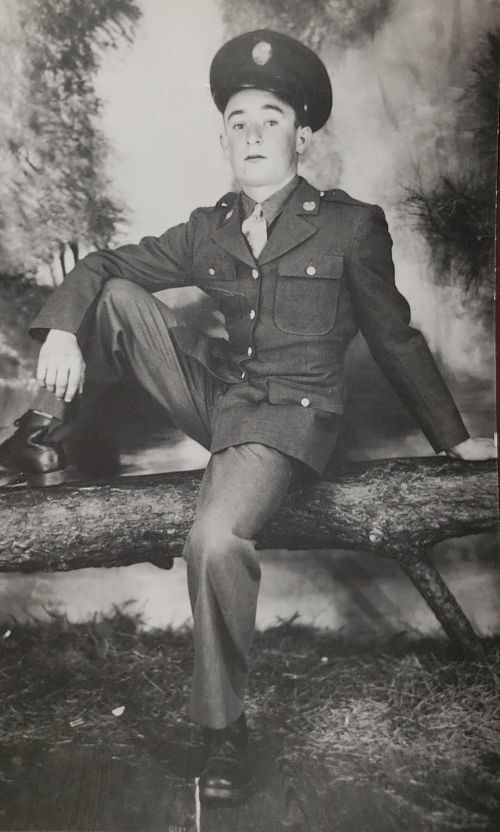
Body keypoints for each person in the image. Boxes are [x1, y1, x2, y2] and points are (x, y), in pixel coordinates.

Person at [0, 29, 495, 804]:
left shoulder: (350, 226)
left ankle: (224, 731)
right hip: (226, 403)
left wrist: (455, 439)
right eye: (239, 122)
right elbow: (104, 266)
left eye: (271, 118)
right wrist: (61, 330)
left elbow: (396, 338)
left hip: (291, 420)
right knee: (119, 296)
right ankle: (42, 432)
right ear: (223, 140)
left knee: (215, 538)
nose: (254, 134)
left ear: (303, 136)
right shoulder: (212, 227)